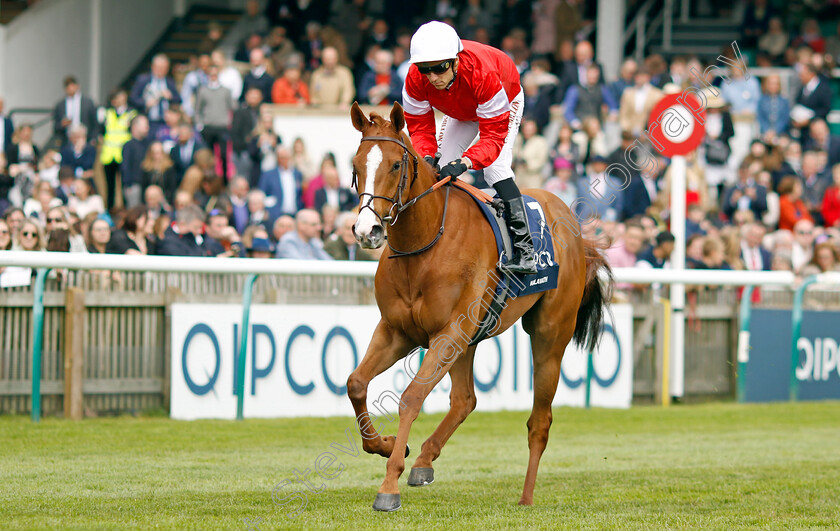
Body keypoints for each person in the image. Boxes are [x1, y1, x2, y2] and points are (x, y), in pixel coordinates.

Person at [401, 21, 537, 274]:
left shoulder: (482, 74)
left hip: (502, 98)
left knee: (495, 169)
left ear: (455, 61)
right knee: (436, 169)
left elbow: (492, 138)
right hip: (462, 106)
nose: (432, 77)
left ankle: (526, 249)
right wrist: (427, 155)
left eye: (440, 68)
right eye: (424, 70)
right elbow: (419, 128)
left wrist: (465, 162)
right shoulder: (414, 79)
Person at [100, 89, 138, 210]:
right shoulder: (107, 113)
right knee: (110, 187)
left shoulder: (131, 113)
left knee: (125, 185)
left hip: (124, 155)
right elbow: (101, 131)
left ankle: (125, 209)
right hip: (109, 155)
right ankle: (110, 209)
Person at [195, 64, 235, 179]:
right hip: (208, 126)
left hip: (222, 126)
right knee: (208, 155)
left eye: (215, 74)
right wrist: (200, 124)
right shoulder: (203, 90)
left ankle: (224, 180)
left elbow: (231, 107)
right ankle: (210, 179)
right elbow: (198, 109)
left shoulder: (226, 91)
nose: (213, 76)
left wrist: (229, 122)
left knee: (223, 155)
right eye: (211, 74)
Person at [130, 54, 182, 134]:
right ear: (153, 67)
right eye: (159, 67)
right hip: (148, 120)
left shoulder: (169, 82)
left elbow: (178, 100)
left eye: (164, 68)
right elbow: (132, 98)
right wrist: (145, 103)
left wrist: (170, 96)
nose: (161, 70)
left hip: (165, 122)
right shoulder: (143, 80)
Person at [51, 76, 98, 148]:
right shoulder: (60, 105)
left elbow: (94, 122)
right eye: (68, 87)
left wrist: (93, 138)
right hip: (67, 140)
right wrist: (62, 124)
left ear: (77, 86)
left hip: (85, 139)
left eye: (72, 85)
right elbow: (55, 126)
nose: (70, 88)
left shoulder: (87, 102)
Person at [120, 115, 151, 208]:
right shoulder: (128, 146)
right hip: (133, 185)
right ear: (135, 127)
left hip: (146, 184)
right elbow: (125, 167)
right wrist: (128, 184)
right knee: (134, 210)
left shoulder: (147, 144)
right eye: (145, 125)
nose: (147, 128)